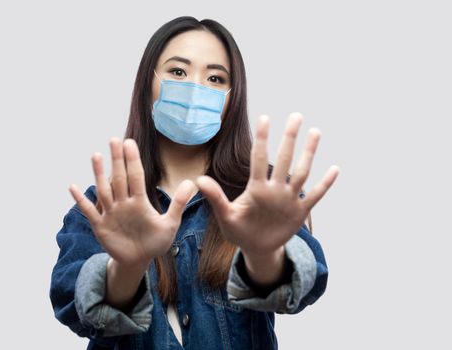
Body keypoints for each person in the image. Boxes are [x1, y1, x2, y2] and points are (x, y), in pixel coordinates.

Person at [49, 16, 339, 350]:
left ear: (232, 98)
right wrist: (127, 268)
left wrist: (262, 255)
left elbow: (301, 284)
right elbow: (76, 306)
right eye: (177, 72)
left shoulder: (262, 197)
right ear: (148, 83)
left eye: (215, 78)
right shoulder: (102, 209)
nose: (195, 88)